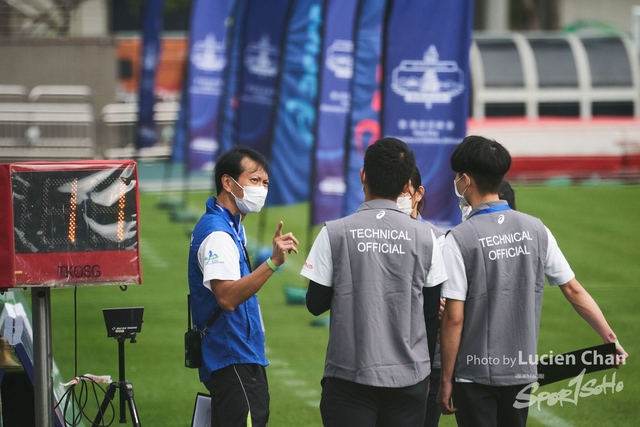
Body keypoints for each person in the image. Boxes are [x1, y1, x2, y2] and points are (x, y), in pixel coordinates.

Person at [436, 135, 628, 427]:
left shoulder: (458, 239)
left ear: (465, 180)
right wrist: (609, 339)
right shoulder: (537, 230)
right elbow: (573, 289)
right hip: (520, 371)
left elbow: (453, 318)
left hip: (473, 375)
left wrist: (446, 378)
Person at [301, 137, 448, 427]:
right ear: (408, 185)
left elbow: (314, 304)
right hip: (411, 377)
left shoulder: (334, 232)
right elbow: (431, 314)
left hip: (348, 376)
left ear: (363, 175)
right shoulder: (428, 238)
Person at [188, 146, 299, 427]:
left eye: (265, 183)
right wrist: (273, 263)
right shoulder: (217, 233)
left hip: (240, 355)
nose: (261, 189)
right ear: (228, 182)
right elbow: (226, 297)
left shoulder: (232, 227)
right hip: (231, 356)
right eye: (253, 180)